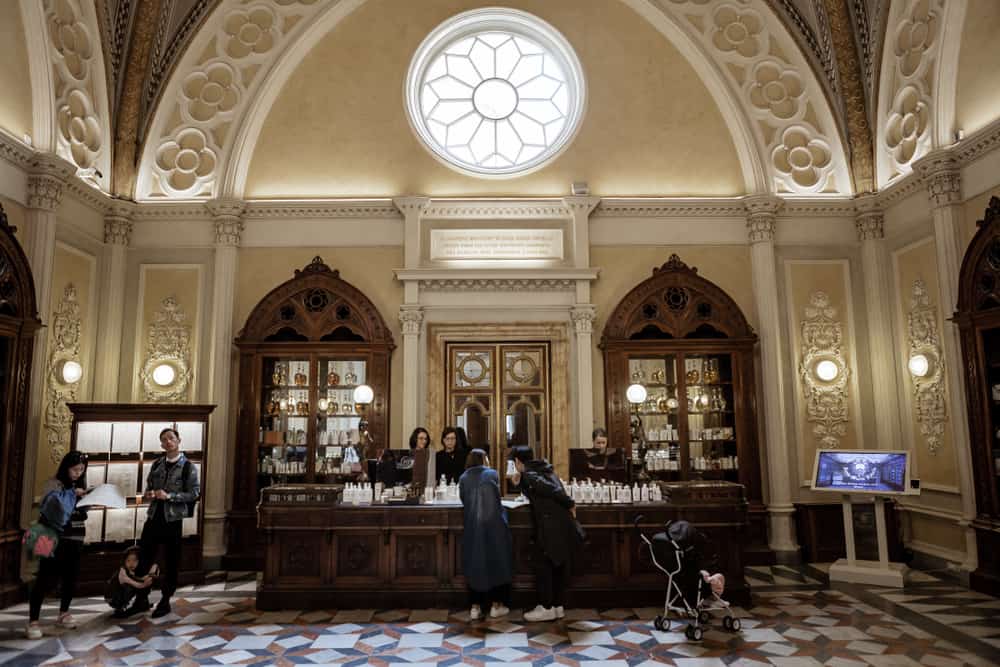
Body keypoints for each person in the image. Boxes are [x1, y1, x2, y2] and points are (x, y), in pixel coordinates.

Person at [130, 427, 200, 618]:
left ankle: (165, 600)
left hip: (173, 520)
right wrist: (149, 494)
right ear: (161, 444)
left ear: (178, 441)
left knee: (171, 561)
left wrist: (170, 496)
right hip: (154, 517)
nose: (168, 442)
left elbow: (193, 494)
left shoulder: (188, 467)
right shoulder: (157, 465)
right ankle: (141, 599)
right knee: (144, 558)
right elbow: (149, 486)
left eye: (171, 438)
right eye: (164, 439)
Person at [510, 446, 579, 622]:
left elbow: (549, 490)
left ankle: (546, 607)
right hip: (559, 523)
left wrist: (570, 503)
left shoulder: (531, 474)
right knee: (556, 563)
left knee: (544, 564)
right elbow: (540, 492)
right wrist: (520, 484)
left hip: (550, 524)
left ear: (518, 462)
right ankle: (557, 606)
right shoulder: (543, 468)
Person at [26, 451, 89, 638]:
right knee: (43, 578)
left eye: (82, 470)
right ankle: (33, 622)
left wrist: (86, 499)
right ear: (66, 467)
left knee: (71, 577)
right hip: (50, 537)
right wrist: (72, 494)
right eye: (75, 469)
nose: (78, 473)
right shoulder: (53, 484)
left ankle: (63, 613)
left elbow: (82, 513)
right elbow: (57, 510)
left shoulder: (79, 485)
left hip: (75, 538)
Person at [459, 449, 512, 621]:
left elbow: (463, 499)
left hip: (472, 525)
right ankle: (497, 605)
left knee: (475, 562)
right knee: (497, 561)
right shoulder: (492, 474)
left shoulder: (463, 477)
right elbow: (497, 497)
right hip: (493, 525)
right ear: (483, 459)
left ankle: (475, 607)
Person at [105, 546, 158, 618]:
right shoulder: (122, 571)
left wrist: (152, 571)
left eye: (135, 560)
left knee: (135, 583)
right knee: (131, 587)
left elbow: (140, 579)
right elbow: (137, 584)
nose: (131, 563)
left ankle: (142, 603)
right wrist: (146, 582)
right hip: (112, 598)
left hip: (116, 595)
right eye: (128, 561)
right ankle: (119, 608)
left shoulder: (131, 572)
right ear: (124, 561)